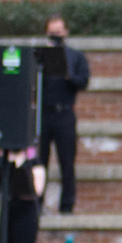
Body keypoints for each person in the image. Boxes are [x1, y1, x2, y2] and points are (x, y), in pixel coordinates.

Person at [38, 15, 90, 214]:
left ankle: (67, 206)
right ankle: (37, 204)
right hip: (43, 115)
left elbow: (84, 81)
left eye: (59, 31)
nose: (56, 35)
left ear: (66, 32)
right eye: (52, 32)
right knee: (39, 163)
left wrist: (69, 75)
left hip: (65, 114)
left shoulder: (76, 56)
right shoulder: (40, 56)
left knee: (67, 162)